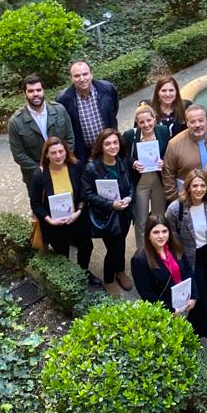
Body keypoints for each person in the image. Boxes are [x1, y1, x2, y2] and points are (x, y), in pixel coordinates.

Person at [28, 136, 97, 285]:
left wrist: (79, 211)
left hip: (77, 218)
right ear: (46, 155)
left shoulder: (76, 166)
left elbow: (84, 193)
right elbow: (35, 204)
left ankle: (83, 272)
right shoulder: (40, 175)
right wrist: (50, 220)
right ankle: (67, 280)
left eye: (61, 151)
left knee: (86, 247)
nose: (58, 156)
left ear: (66, 152)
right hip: (55, 224)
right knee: (62, 252)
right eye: (53, 153)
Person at [166, 169, 207, 338]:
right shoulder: (176, 208)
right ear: (188, 187)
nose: (199, 189)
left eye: (202, 186)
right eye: (195, 186)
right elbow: (170, 234)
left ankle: (196, 321)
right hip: (189, 255)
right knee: (199, 294)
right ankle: (201, 325)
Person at [81, 127, 134, 296]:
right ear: (101, 146)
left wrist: (130, 198)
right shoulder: (92, 167)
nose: (112, 146)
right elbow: (87, 194)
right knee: (113, 248)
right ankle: (109, 279)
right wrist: (111, 205)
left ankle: (120, 271)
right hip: (107, 215)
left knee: (121, 243)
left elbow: (131, 182)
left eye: (115, 142)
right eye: (108, 143)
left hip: (124, 212)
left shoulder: (122, 160)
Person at [8, 74, 74, 187]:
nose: (35, 94)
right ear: (25, 93)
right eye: (31, 91)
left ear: (44, 91)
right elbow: (18, 154)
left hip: (62, 168)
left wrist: (62, 159)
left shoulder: (59, 110)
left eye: (38, 90)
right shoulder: (16, 121)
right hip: (35, 176)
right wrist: (39, 169)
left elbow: (70, 138)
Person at [131, 212, 199, 317]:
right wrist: (170, 310)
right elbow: (147, 293)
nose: (161, 236)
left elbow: (187, 269)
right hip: (164, 308)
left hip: (184, 300)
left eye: (164, 231)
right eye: (156, 232)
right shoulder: (139, 260)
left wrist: (193, 296)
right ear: (148, 235)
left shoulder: (175, 242)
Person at [121, 104, 170, 247]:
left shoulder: (163, 131)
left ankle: (158, 249)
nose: (146, 124)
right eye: (141, 122)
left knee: (158, 218)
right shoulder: (130, 135)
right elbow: (122, 156)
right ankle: (142, 252)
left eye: (149, 120)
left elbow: (169, 152)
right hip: (140, 183)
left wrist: (164, 162)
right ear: (137, 122)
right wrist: (134, 163)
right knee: (141, 220)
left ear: (154, 118)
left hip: (158, 182)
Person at [58, 61, 119, 165]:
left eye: (85, 74)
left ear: (91, 74)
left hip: (109, 146)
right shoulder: (64, 99)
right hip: (84, 152)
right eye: (77, 76)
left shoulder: (107, 89)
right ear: (71, 78)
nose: (82, 79)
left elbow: (114, 110)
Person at [162, 104, 207, 201]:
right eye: (192, 122)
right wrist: (175, 201)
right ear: (187, 123)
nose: (197, 125)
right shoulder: (174, 144)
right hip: (189, 197)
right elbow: (168, 175)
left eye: (201, 120)